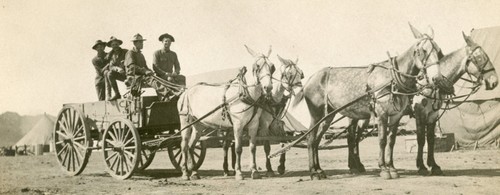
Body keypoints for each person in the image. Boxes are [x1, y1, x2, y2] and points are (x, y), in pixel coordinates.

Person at [124, 33, 170, 100]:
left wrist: (150, 71)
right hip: (134, 77)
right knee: (152, 80)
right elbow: (132, 67)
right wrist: (145, 71)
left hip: (142, 76)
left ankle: (165, 96)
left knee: (158, 78)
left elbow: (145, 67)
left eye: (142, 42)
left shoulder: (141, 55)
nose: (142, 44)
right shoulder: (130, 53)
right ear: (135, 43)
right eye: (140, 42)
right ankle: (166, 94)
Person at [105, 36, 128, 101]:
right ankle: (117, 94)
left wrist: (124, 65)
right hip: (121, 74)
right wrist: (117, 69)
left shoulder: (126, 52)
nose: (115, 46)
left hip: (129, 73)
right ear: (111, 46)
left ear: (119, 44)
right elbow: (111, 66)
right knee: (109, 74)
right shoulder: (111, 55)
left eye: (116, 44)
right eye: (113, 45)